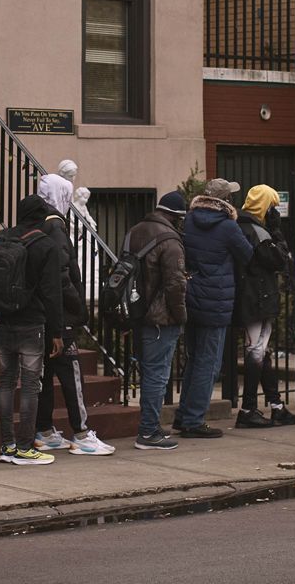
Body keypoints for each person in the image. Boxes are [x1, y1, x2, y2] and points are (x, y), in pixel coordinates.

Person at [34, 175, 115, 455]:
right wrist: (76, 307)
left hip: (42, 315)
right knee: (72, 376)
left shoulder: (36, 225)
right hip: (61, 316)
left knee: (44, 375)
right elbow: (61, 276)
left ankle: (43, 429)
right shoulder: (57, 229)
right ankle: (81, 432)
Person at [174, 179, 253, 439]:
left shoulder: (189, 220)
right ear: (226, 200)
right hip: (216, 300)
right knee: (209, 362)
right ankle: (194, 420)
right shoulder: (229, 227)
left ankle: (183, 415)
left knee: (194, 358)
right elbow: (248, 255)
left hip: (192, 295)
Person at [0, 195, 64, 465]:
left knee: (6, 380)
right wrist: (56, 332)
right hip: (32, 323)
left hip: (4, 319)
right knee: (31, 385)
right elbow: (52, 293)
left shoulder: (3, 238)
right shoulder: (45, 245)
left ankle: (7, 444)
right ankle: (25, 447)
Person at [233, 185, 295, 428]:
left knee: (261, 352)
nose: (274, 210)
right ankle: (248, 408)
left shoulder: (242, 226)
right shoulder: (258, 232)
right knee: (256, 352)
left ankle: (276, 405)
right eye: (272, 205)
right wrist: (276, 230)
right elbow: (281, 259)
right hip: (257, 298)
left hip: (252, 297)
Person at [127, 192, 188, 450]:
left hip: (137, 311)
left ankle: (149, 428)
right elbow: (175, 284)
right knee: (157, 375)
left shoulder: (135, 231)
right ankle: (149, 431)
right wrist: (181, 316)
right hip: (161, 318)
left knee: (148, 372)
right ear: (175, 216)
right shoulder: (171, 241)